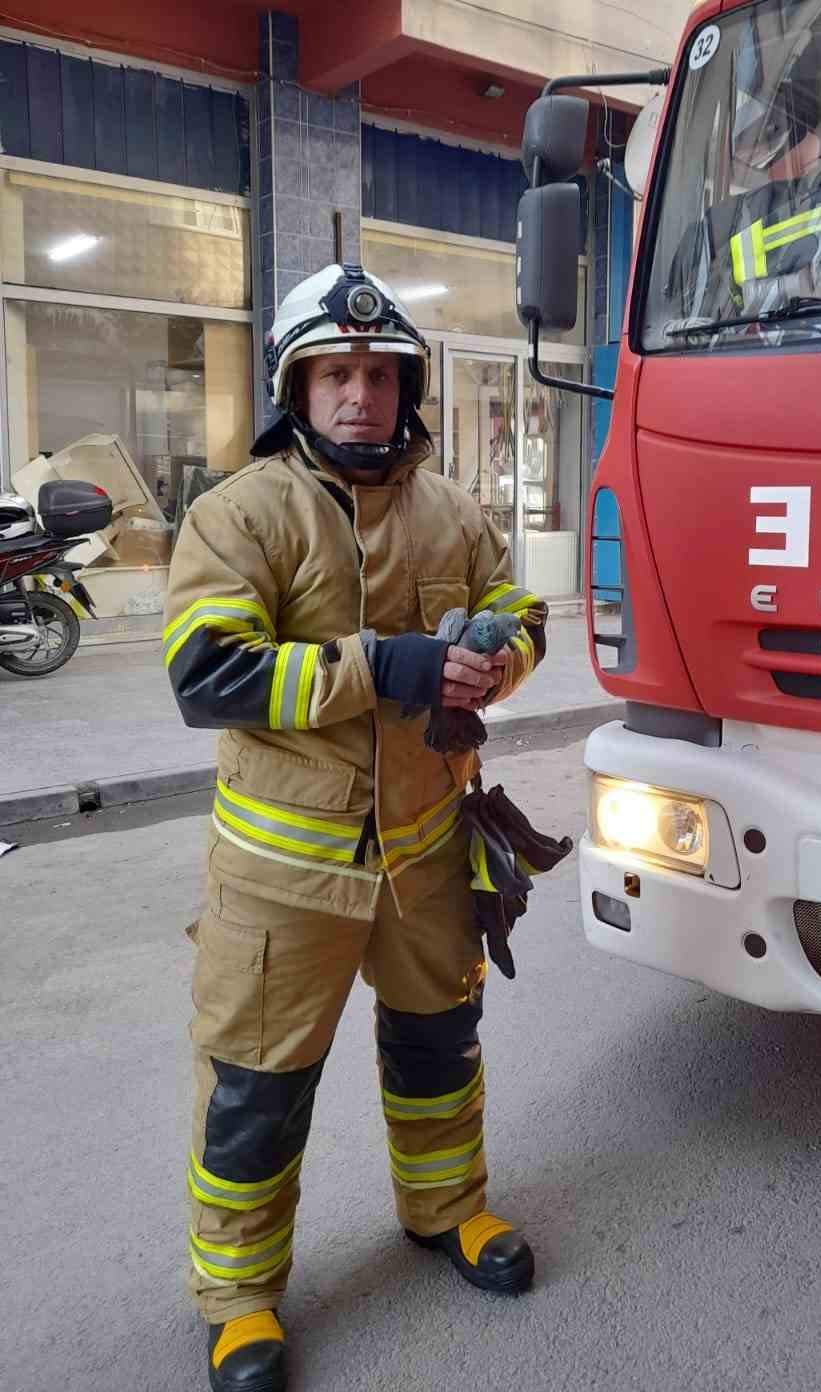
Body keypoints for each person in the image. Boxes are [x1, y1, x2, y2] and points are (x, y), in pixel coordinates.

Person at [164, 262, 548, 1392]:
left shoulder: (452, 508)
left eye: (381, 374)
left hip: (429, 848)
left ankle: (446, 1211)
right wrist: (378, 664)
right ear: (297, 385)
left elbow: (522, 611)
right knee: (258, 1087)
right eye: (336, 371)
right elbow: (209, 674)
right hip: (285, 875)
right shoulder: (240, 514)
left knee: (438, 1046)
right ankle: (238, 1299)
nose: (360, 394)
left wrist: (496, 661)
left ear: (406, 388)